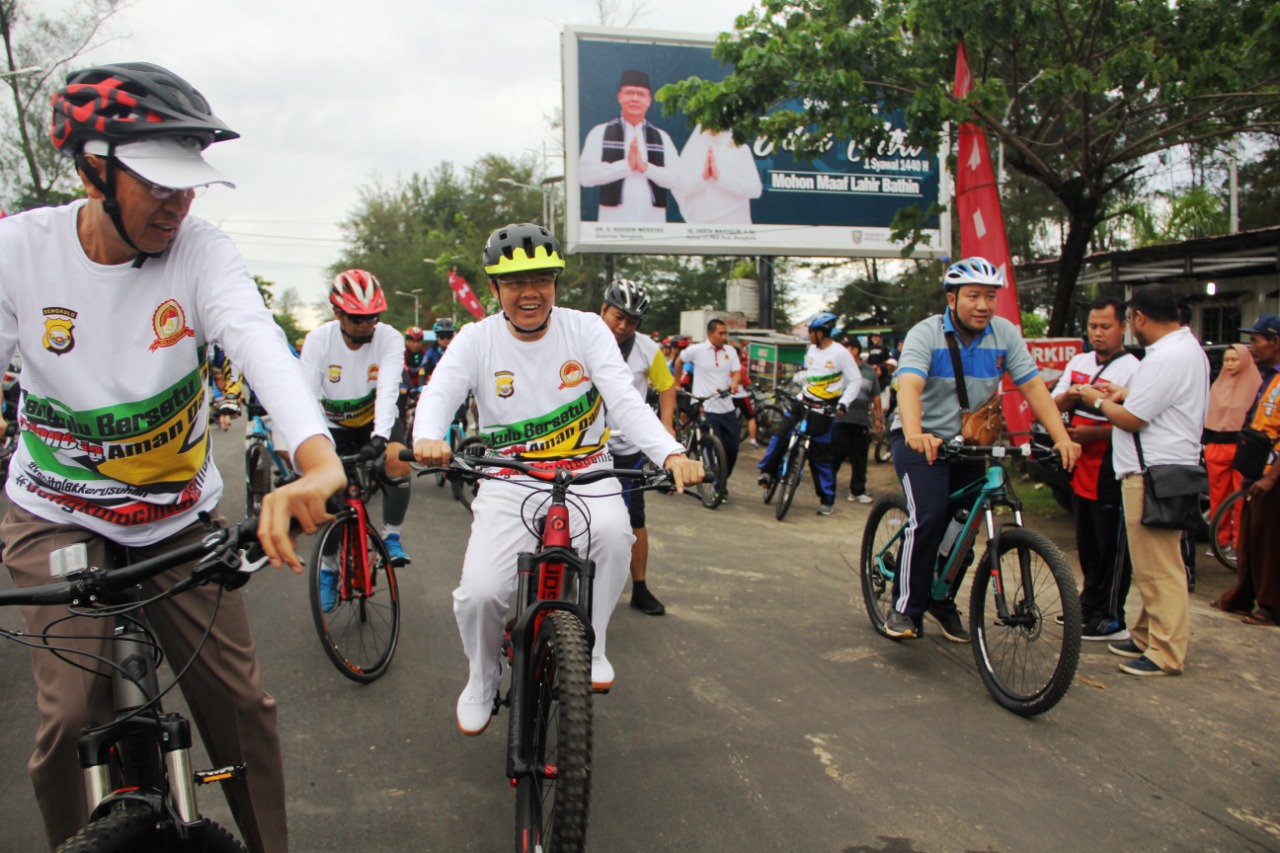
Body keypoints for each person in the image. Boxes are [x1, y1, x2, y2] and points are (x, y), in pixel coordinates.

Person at [0, 62, 345, 852]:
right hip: (54, 517)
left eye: (188, 182)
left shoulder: (201, 251)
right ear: (93, 166)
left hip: (176, 520)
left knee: (240, 711)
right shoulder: (20, 251)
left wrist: (317, 460)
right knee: (67, 718)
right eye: (157, 182)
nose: (178, 201)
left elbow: (259, 343)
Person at [411, 223, 701, 735]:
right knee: (480, 593)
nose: (530, 292)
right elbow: (439, 393)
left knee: (615, 536)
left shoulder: (586, 329)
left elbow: (626, 401)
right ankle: (482, 676)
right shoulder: (476, 339)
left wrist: (671, 452)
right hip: (510, 477)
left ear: (556, 283)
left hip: (587, 470)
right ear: (495, 288)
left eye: (541, 279)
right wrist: (429, 435)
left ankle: (594, 642)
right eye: (515, 282)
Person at [888, 258, 1080, 641]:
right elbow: (908, 385)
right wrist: (914, 433)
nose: (983, 305)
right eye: (973, 296)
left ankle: (941, 599)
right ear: (952, 298)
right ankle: (905, 608)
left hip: (969, 445)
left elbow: (1034, 387)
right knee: (928, 517)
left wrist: (1060, 437)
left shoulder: (1004, 334)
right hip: (920, 438)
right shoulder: (926, 333)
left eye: (990, 297)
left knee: (966, 525)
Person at [1073, 284, 1210, 676]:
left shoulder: (1165, 358)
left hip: (1153, 473)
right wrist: (1125, 392)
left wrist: (1096, 400)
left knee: (1159, 567)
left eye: (1129, 319)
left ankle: (1165, 652)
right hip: (1168, 468)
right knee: (1156, 561)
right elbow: (1158, 399)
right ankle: (1147, 633)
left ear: (1140, 318)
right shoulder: (1185, 350)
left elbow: (1134, 418)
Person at [301, 270, 414, 572]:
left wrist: (379, 438)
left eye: (372, 317)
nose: (366, 325)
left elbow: (389, 388)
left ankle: (392, 537)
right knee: (331, 491)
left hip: (373, 422)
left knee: (398, 460)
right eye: (356, 318)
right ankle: (327, 565)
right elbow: (307, 398)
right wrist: (318, 446)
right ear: (337, 312)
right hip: (332, 426)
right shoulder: (318, 341)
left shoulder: (389, 338)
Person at [1052, 297, 1141, 641]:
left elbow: (1135, 419)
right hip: (1079, 464)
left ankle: (1112, 614)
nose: (1098, 333)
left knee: (1111, 545)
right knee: (1086, 540)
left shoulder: (1133, 367)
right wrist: (1075, 396)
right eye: (1093, 327)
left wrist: (1093, 432)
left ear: (1123, 327)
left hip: (1111, 462)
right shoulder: (1079, 360)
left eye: (1106, 326)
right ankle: (1088, 604)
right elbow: (1053, 401)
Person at [599, 279, 677, 616]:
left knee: (634, 519)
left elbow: (667, 387)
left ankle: (640, 588)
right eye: (618, 316)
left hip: (627, 448)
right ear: (602, 310)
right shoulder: (580, 339)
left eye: (631, 321)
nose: (623, 326)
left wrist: (667, 426)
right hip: (581, 448)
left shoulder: (647, 349)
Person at [757, 313, 863, 515]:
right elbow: (811, 374)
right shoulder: (811, 350)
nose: (809, 335)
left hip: (824, 411)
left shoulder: (840, 353)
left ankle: (826, 499)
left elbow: (856, 380)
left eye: (811, 332)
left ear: (821, 333)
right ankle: (767, 473)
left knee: (820, 457)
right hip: (801, 403)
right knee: (780, 436)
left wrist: (843, 403)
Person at [1212, 314, 1280, 627]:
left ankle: (1270, 607)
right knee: (1250, 542)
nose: (1251, 347)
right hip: (1255, 469)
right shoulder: (1267, 378)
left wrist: (1272, 476)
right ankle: (1243, 596)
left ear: (1275, 342)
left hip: (1272, 475)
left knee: (1269, 544)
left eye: (1256, 340)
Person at [578, 70, 682, 224]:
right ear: (619, 97)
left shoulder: (662, 137)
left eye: (641, 94)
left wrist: (646, 168)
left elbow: (679, 180)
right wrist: (625, 166)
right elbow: (584, 176)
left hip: (654, 227)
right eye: (629, 93)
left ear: (649, 101)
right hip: (613, 229)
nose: (635, 98)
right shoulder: (600, 132)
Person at [1201, 343, 1261, 561]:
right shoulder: (1217, 385)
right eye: (1226, 360)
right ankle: (1220, 540)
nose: (1229, 364)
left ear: (1244, 360)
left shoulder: (1256, 385)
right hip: (1216, 446)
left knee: (1241, 498)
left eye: (1234, 359)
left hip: (1242, 447)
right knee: (1218, 496)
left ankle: (1239, 542)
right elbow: (1207, 416)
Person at [676, 319, 741, 500]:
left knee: (733, 447)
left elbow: (737, 372)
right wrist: (676, 384)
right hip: (705, 406)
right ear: (710, 333)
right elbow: (679, 360)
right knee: (712, 445)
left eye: (725, 333)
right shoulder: (697, 350)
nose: (724, 337)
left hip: (726, 406)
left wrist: (735, 382)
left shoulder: (731, 352)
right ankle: (717, 482)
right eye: (721, 333)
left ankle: (721, 478)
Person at [675, 125, 763, 224]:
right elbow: (679, 189)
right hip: (701, 230)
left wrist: (720, 178)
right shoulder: (691, 151)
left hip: (735, 228)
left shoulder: (740, 149)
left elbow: (755, 189)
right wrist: (702, 178)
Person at [832, 336, 881, 503]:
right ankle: (828, 487)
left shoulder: (868, 371)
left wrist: (879, 418)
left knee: (860, 458)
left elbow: (875, 395)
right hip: (841, 420)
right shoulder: (839, 369)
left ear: (855, 350)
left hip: (860, 421)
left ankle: (858, 491)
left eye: (847, 348)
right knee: (837, 454)